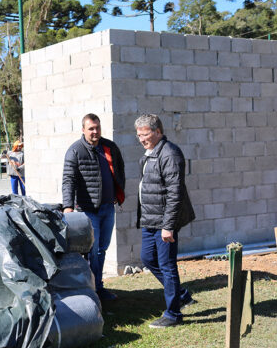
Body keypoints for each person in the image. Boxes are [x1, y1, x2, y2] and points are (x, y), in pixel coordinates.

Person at [134, 114, 196, 328]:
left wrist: (168, 226)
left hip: (163, 222)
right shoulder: (150, 153)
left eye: (145, 134)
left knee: (167, 266)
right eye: (138, 135)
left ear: (158, 132)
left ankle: (173, 314)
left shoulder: (169, 153)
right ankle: (181, 295)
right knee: (147, 259)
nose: (141, 139)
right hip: (149, 220)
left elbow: (174, 192)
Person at [62, 114, 125, 303]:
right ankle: (93, 289)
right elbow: (68, 180)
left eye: (97, 127)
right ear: (83, 129)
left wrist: (118, 192)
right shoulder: (75, 151)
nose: (95, 131)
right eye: (91, 128)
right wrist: (68, 207)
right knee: (92, 250)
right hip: (88, 210)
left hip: (108, 207)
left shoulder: (109, 147)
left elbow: (119, 169)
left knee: (102, 249)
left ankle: (97, 286)